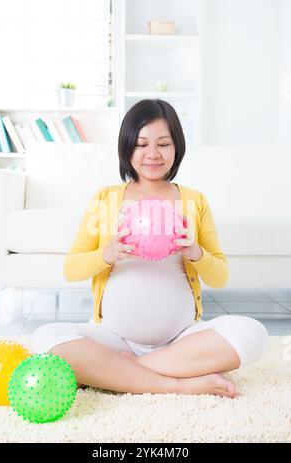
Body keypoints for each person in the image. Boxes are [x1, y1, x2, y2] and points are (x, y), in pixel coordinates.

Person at [22, 99, 268, 398]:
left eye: (163, 144)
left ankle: (123, 371)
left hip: (181, 340)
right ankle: (176, 383)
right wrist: (107, 254)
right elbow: (71, 269)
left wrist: (194, 252)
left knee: (252, 333)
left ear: (177, 147)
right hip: (114, 338)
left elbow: (220, 277)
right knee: (44, 339)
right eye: (141, 144)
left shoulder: (194, 201)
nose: (152, 154)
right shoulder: (105, 199)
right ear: (127, 147)